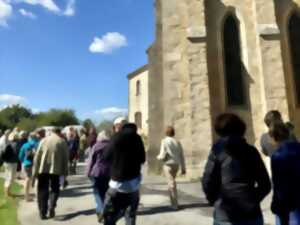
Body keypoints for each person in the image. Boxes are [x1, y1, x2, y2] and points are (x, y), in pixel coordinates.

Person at [202, 113, 271, 225]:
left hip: (225, 213)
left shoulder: (217, 152)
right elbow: (265, 184)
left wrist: (215, 200)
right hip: (250, 213)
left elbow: (207, 181)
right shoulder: (251, 151)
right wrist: (252, 199)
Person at [103, 123, 146, 225]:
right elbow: (143, 159)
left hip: (116, 185)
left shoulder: (116, 137)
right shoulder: (137, 138)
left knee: (109, 217)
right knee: (130, 216)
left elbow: (105, 156)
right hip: (133, 186)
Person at [33, 127, 69, 220]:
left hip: (43, 169)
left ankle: (42, 212)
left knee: (42, 190)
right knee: (55, 188)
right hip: (56, 169)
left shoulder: (43, 140)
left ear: (51, 132)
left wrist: (35, 171)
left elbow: (37, 156)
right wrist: (65, 174)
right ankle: (52, 205)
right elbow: (66, 158)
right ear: (59, 132)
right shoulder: (62, 141)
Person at [269, 123, 300, 225]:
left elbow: (278, 184)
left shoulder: (277, 155)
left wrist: (276, 203)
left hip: (289, 203)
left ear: (274, 137)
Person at [157, 126, 186, 210]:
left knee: (171, 184)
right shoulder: (177, 142)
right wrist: (183, 168)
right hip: (176, 164)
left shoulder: (164, 141)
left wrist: (158, 158)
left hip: (168, 164)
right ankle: (174, 202)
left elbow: (162, 154)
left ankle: (174, 204)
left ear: (166, 132)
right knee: (172, 182)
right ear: (173, 132)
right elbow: (181, 155)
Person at [86, 130, 112, 222]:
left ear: (99, 138)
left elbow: (91, 161)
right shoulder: (112, 145)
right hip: (110, 173)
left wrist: (88, 172)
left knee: (97, 193)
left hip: (97, 173)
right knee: (107, 193)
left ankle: (100, 210)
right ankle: (106, 211)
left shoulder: (96, 146)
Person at [19, 132, 40, 201]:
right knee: (37, 179)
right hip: (37, 164)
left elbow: (20, 156)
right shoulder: (39, 144)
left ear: (29, 137)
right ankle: (38, 196)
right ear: (36, 137)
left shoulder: (25, 145)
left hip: (27, 163)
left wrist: (23, 161)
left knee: (27, 179)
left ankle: (26, 196)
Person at [0, 130, 19, 198]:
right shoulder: (16, 144)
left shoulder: (8, 143)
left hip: (6, 162)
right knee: (11, 177)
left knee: (7, 176)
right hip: (12, 163)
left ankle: (7, 192)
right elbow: (17, 153)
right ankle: (7, 193)